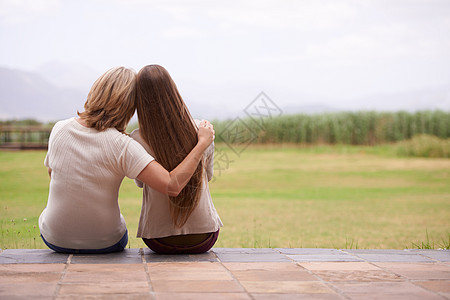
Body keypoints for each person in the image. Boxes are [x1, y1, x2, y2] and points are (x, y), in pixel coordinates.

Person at [39, 66, 214, 254]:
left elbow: (53, 173)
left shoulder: (59, 129)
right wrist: (201, 143)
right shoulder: (123, 144)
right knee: (117, 223)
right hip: (105, 241)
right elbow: (172, 185)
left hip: (54, 238)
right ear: (130, 106)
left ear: (95, 91)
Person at [131, 64, 223, 254]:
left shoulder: (137, 138)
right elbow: (208, 176)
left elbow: (141, 183)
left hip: (158, 240)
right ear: (173, 91)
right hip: (204, 238)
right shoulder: (202, 131)